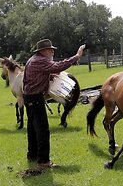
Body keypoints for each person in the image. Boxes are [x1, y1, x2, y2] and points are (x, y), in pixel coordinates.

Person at [23, 38, 86, 169]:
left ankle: (32, 155)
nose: (52, 52)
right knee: (43, 130)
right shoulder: (41, 60)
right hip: (35, 99)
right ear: (44, 51)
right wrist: (77, 56)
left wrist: (49, 76)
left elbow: (35, 76)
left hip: (29, 98)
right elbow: (59, 66)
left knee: (32, 128)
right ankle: (44, 161)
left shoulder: (32, 60)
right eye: (51, 50)